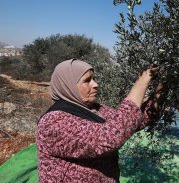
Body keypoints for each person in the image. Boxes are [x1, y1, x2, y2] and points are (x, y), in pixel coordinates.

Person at [36, 58, 165, 182]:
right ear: (68, 85)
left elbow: (135, 121)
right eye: (87, 80)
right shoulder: (53, 123)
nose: (95, 84)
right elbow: (108, 138)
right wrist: (143, 80)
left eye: (94, 78)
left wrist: (162, 86)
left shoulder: (95, 109)